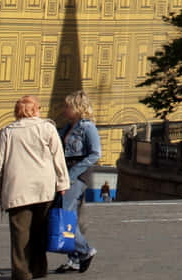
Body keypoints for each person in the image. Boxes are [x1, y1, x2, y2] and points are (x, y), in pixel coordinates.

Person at [0, 96, 71, 280]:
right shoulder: (47, 128)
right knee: (40, 231)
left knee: (20, 235)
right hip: (43, 189)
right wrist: (62, 183)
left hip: (17, 190)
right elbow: (58, 157)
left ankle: (22, 273)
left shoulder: (8, 132)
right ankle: (38, 270)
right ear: (35, 109)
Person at [55, 91, 102, 273]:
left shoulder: (87, 127)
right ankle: (74, 258)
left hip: (77, 175)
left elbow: (95, 153)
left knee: (63, 215)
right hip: (64, 173)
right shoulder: (67, 127)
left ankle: (85, 250)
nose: (64, 109)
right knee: (69, 217)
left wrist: (73, 174)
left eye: (67, 106)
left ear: (77, 107)